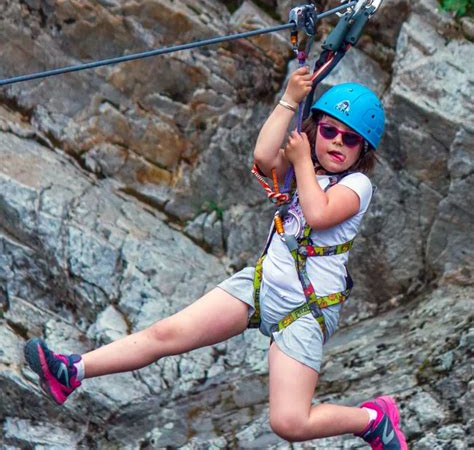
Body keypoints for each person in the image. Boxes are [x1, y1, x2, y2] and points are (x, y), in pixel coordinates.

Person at [24, 66, 407, 449]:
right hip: (260, 286)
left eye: (350, 139)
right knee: (165, 334)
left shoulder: (357, 185)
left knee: (289, 422)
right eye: (329, 131)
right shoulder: (304, 166)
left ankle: (372, 420)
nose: (337, 142)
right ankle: (71, 371)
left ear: (363, 150)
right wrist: (290, 99)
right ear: (315, 130)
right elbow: (261, 155)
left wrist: (303, 161)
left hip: (306, 309)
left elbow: (320, 214)